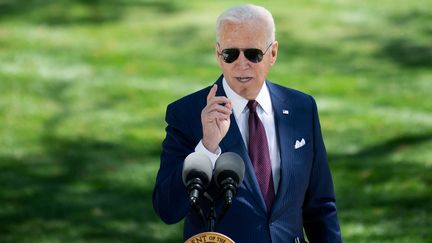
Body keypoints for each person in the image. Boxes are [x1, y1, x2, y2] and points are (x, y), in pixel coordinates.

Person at [153, 4, 342, 243]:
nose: (241, 64)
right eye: (231, 54)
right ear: (218, 54)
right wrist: (207, 146)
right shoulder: (187, 113)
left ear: (273, 53)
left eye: (253, 54)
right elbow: (167, 209)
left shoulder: (302, 108)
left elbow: (321, 207)